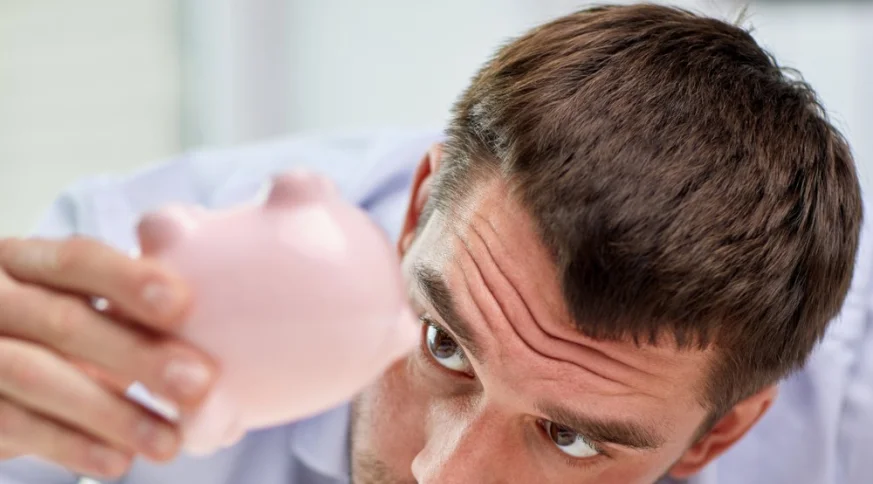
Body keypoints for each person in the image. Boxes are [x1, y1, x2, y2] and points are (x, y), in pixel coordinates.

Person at [0, 4, 870, 484]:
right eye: (443, 345)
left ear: (716, 436)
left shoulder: (849, 423)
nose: (437, 473)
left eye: (568, 438)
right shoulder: (117, 299)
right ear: (420, 208)